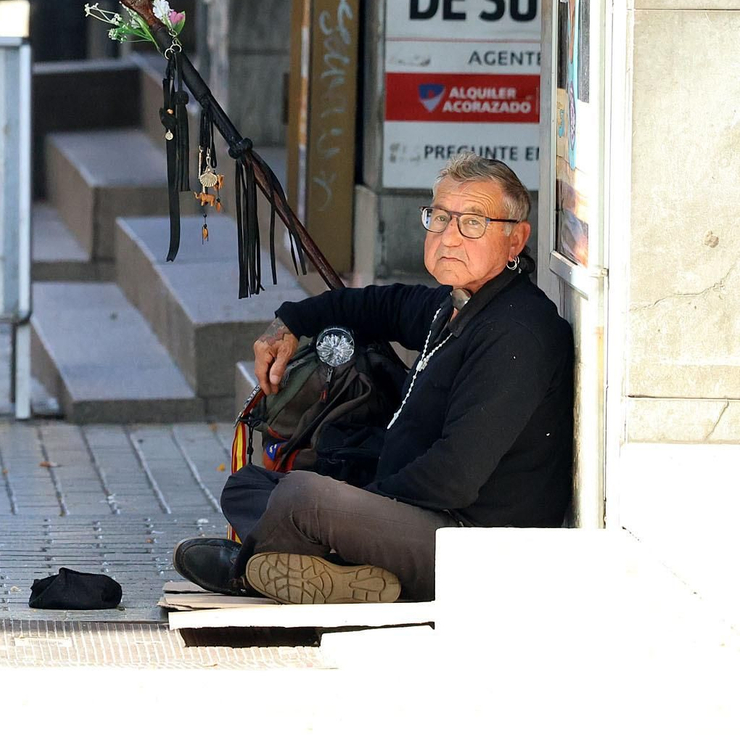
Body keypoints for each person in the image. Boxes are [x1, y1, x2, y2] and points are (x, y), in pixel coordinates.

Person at [172, 153, 573, 604]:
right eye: (440, 217)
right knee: (250, 484)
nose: (449, 237)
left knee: (305, 497)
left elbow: (453, 478)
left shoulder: (518, 331)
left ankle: (251, 569)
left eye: (473, 223)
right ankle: (331, 566)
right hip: (417, 513)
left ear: (516, 239)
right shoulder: (458, 303)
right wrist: (291, 321)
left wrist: (364, 501)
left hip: (470, 548)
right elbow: (379, 306)